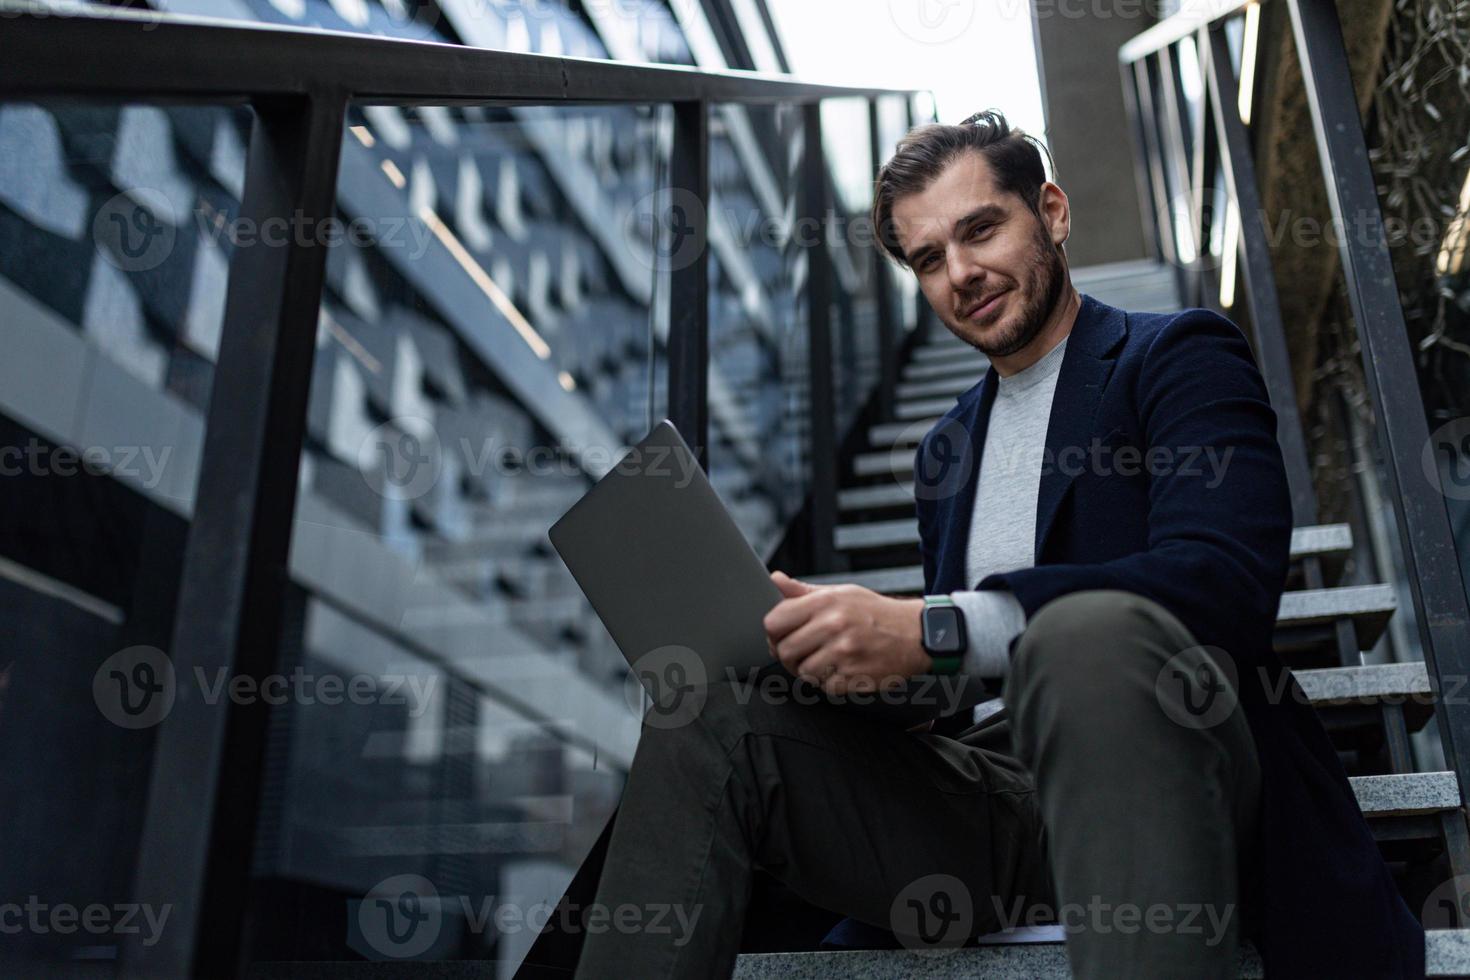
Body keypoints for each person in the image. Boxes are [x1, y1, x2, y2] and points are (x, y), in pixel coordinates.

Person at [567, 109, 1424, 979]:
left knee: (1081, 635)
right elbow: (958, 687)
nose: (962, 274)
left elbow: (1222, 587)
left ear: (1050, 212)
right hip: (995, 811)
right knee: (710, 714)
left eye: (981, 229)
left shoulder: (1176, 357)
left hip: (1173, 767)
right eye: (929, 260)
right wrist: (837, 661)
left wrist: (928, 629)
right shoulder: (945, 450)